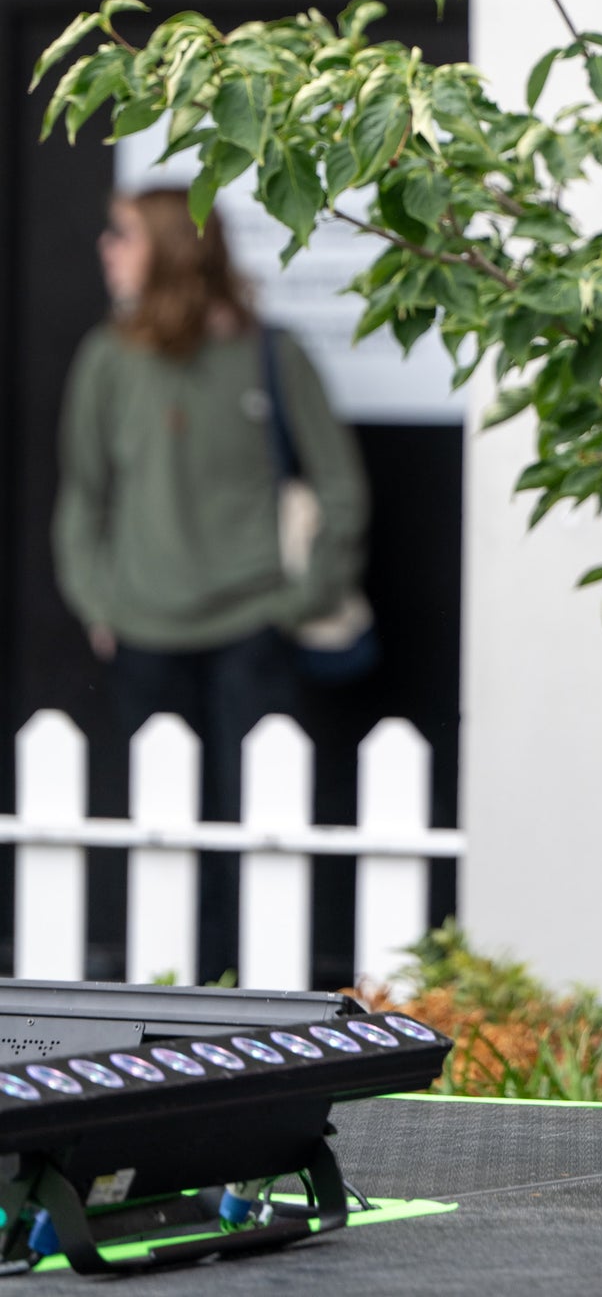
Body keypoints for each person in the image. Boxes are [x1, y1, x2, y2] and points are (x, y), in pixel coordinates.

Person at [53, 187, 369, 978]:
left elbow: (341, 488)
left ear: (170, 246)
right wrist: (99, 601)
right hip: (143, 629)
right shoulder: (107, 357)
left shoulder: (271, 350)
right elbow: (80, 494)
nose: (106, 248)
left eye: (122, 233)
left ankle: (246, 985)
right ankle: (164, 983)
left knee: (254, 820)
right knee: (156, 828)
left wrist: (295, 601)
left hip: (251, 627)